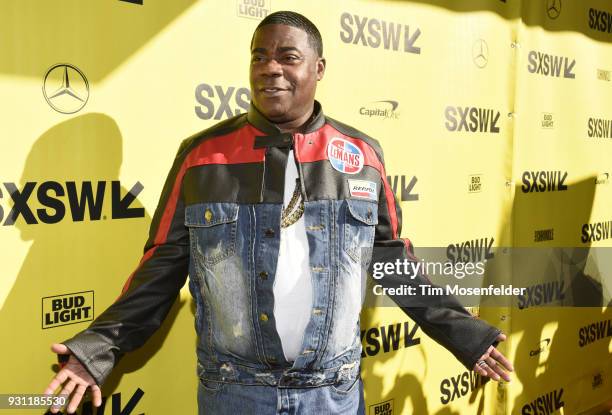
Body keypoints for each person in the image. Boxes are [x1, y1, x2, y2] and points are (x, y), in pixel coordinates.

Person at [44, 11, 513, 414]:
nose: (270, 68)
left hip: (333, 395)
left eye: (288, 57)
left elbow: (392, 263)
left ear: (318, 67)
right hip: (234, 392)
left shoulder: (362, 156)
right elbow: (160, 271)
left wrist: (464, 335)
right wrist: (97, 350)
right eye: (259, 56)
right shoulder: (203, 157)